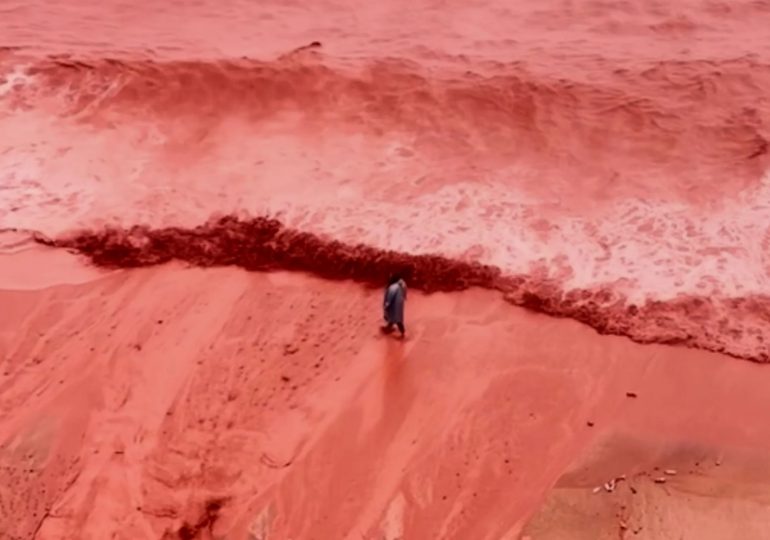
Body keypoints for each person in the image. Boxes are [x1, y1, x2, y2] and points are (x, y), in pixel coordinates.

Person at [383, 273, 407, 337]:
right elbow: (404, 294)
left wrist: (386, 305)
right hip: (398, 304)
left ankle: (402, 333)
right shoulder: (400, 285)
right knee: (394, 318)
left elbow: (390, 297)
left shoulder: (393, 287)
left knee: (396, 319)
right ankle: (388, 328)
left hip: (394, 305)